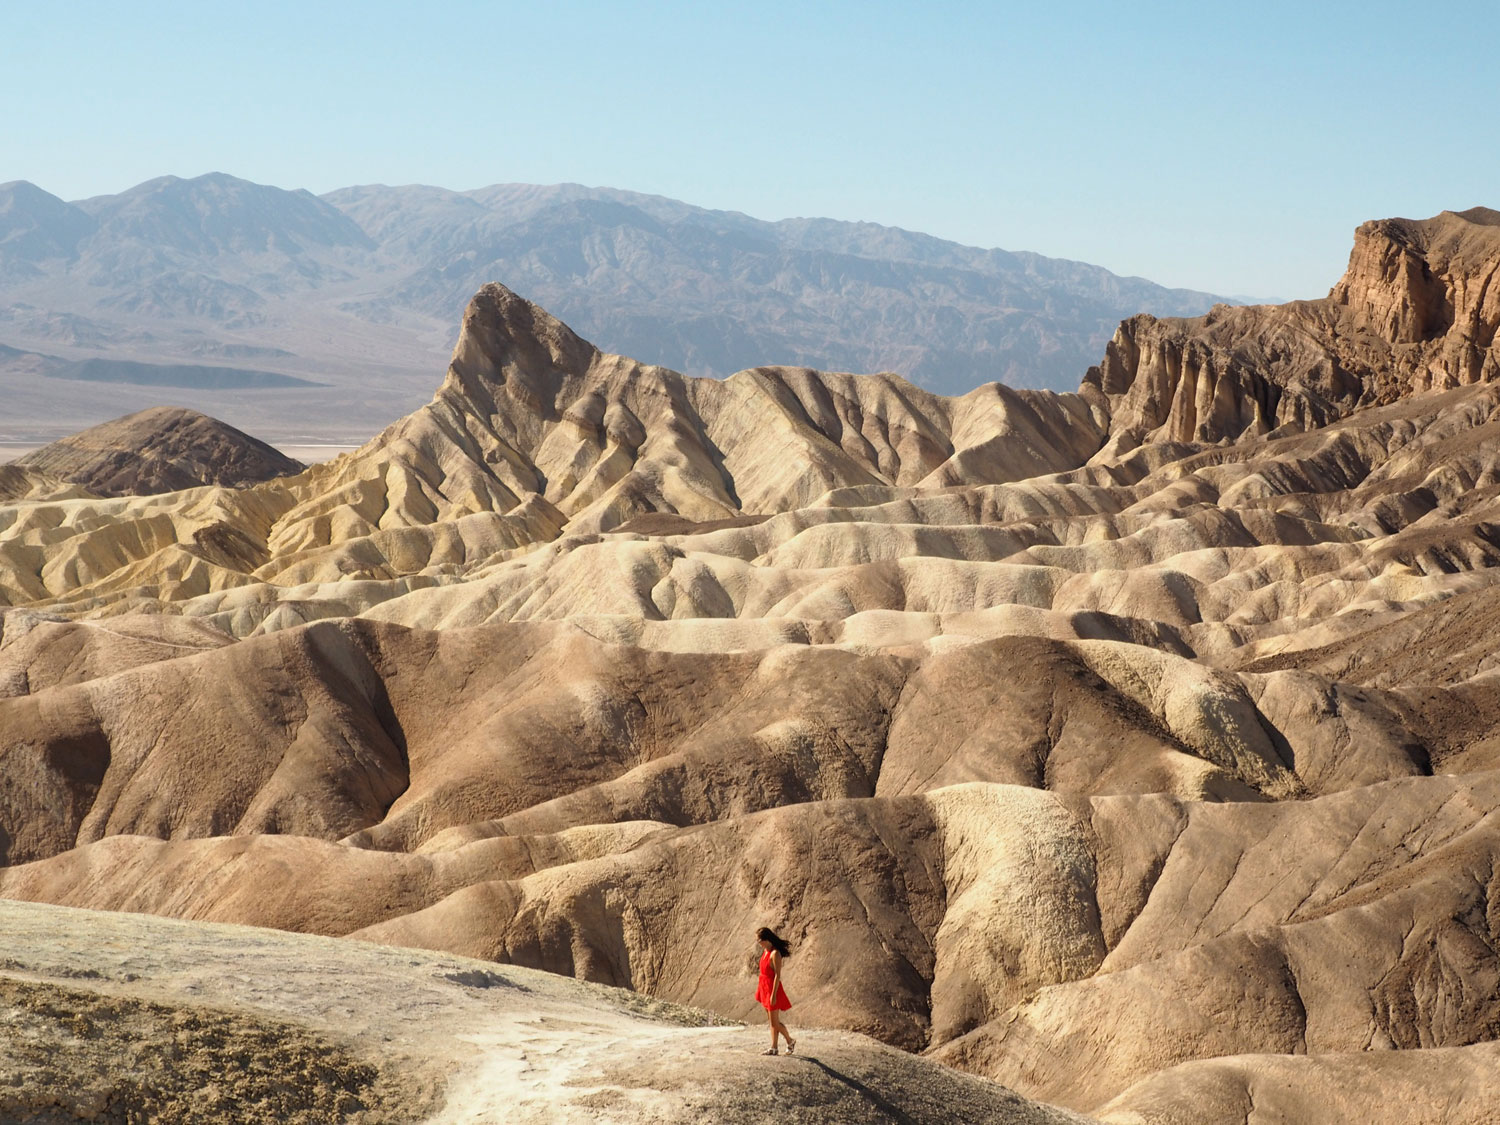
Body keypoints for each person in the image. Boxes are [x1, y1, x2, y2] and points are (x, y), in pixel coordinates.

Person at [755, 927, 795, 1055]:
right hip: (764, 987)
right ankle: (774, 1047)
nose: (758, 943)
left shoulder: (775, 954)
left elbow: (778, 975)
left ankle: (790, 1040)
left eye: (759, 940)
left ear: (767, 939)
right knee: (772, 1021)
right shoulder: (766, 951)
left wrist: (773, 995)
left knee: (774, 1022)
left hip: (772, 989)